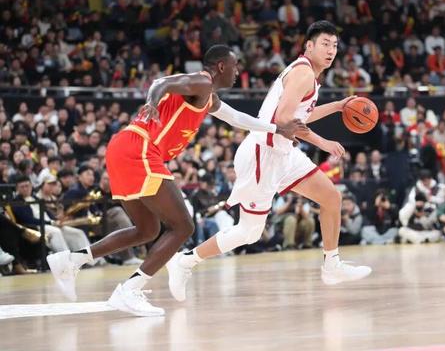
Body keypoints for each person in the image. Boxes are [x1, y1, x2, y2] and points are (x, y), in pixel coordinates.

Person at [46, 45, 304, 316]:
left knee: (147, 230)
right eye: (235, 65)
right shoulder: (202, 82)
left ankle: (71, 260)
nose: (238, 71)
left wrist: (277, 129)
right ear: (221, 67)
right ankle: (130, 290)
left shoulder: (208, 97)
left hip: (124, 149)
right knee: (183, 226)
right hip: (140, 149)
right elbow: (161, 82)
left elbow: (236, 117)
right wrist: (152, 102)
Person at [167, 21, 372, 302]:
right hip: (263, 154)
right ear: (309, 46)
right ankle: (184, 261)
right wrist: (323, 143)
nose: (331, 51)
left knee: (331, 198)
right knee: (249, 232)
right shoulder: (303, 74)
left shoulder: (307, 74)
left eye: (334, 46)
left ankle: (332, 265)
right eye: (325, 44)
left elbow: (300, 115)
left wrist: (337, 106)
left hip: (283, 153)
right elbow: (285, 120)